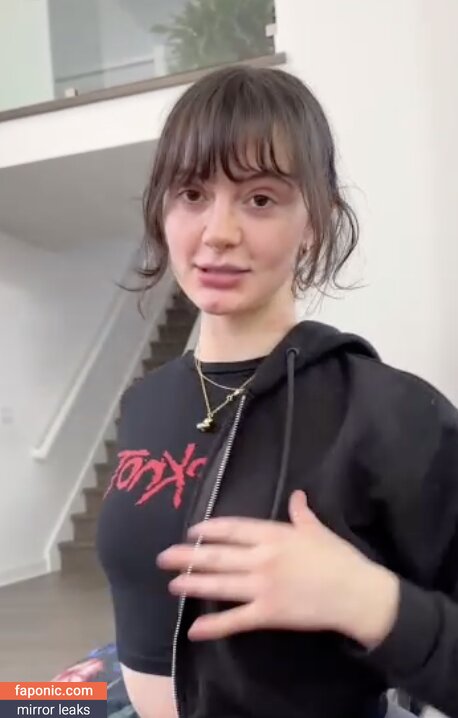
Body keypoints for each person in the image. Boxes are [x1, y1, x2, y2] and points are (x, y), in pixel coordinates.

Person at [96, 65, 458, 718]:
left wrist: (371, 602)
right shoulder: (145, 403)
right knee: (21, 701)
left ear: (315, 221)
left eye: (260, 199)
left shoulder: (394, 417)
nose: (219, 232)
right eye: (192, 194)